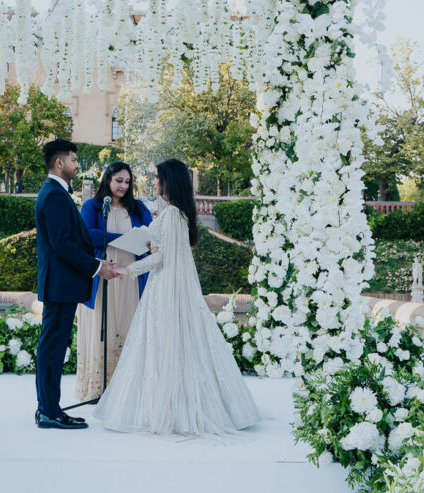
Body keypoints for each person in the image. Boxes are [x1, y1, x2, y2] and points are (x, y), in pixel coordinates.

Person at [93, 158, 259, 436]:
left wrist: (126, 269)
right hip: (173, 286)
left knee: (160, 344)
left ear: (169, 181)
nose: (155, 182)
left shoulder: (170, 214)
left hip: (163, 287)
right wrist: (152, 244)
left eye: (158, 178)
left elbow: (161, 259)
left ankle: (168, 408)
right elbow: (167, 250)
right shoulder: (179, 213)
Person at [34, 139, 118, 430]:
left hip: (60, 283)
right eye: (72, 159)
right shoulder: (55, 196)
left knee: (53, 347)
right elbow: (62, 245)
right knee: (53, 348)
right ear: (60, 163)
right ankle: (49, 411)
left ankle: (47, 406)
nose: (76, 164)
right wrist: (98, 267)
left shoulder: (55, 193)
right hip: (60, 284)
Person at [75, 163, 154, 401]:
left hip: (130, 276)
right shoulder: (93, 206)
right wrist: (125, 238)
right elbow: (88, 234)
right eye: (119, 180)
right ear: (107, 179)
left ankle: (127, 392)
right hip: (102, 275)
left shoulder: (138, 208)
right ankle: (99, 389)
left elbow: (151, 235)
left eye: (127, 182)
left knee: (130, 325)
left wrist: (119, 239)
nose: (123, 186)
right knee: (102, 326)